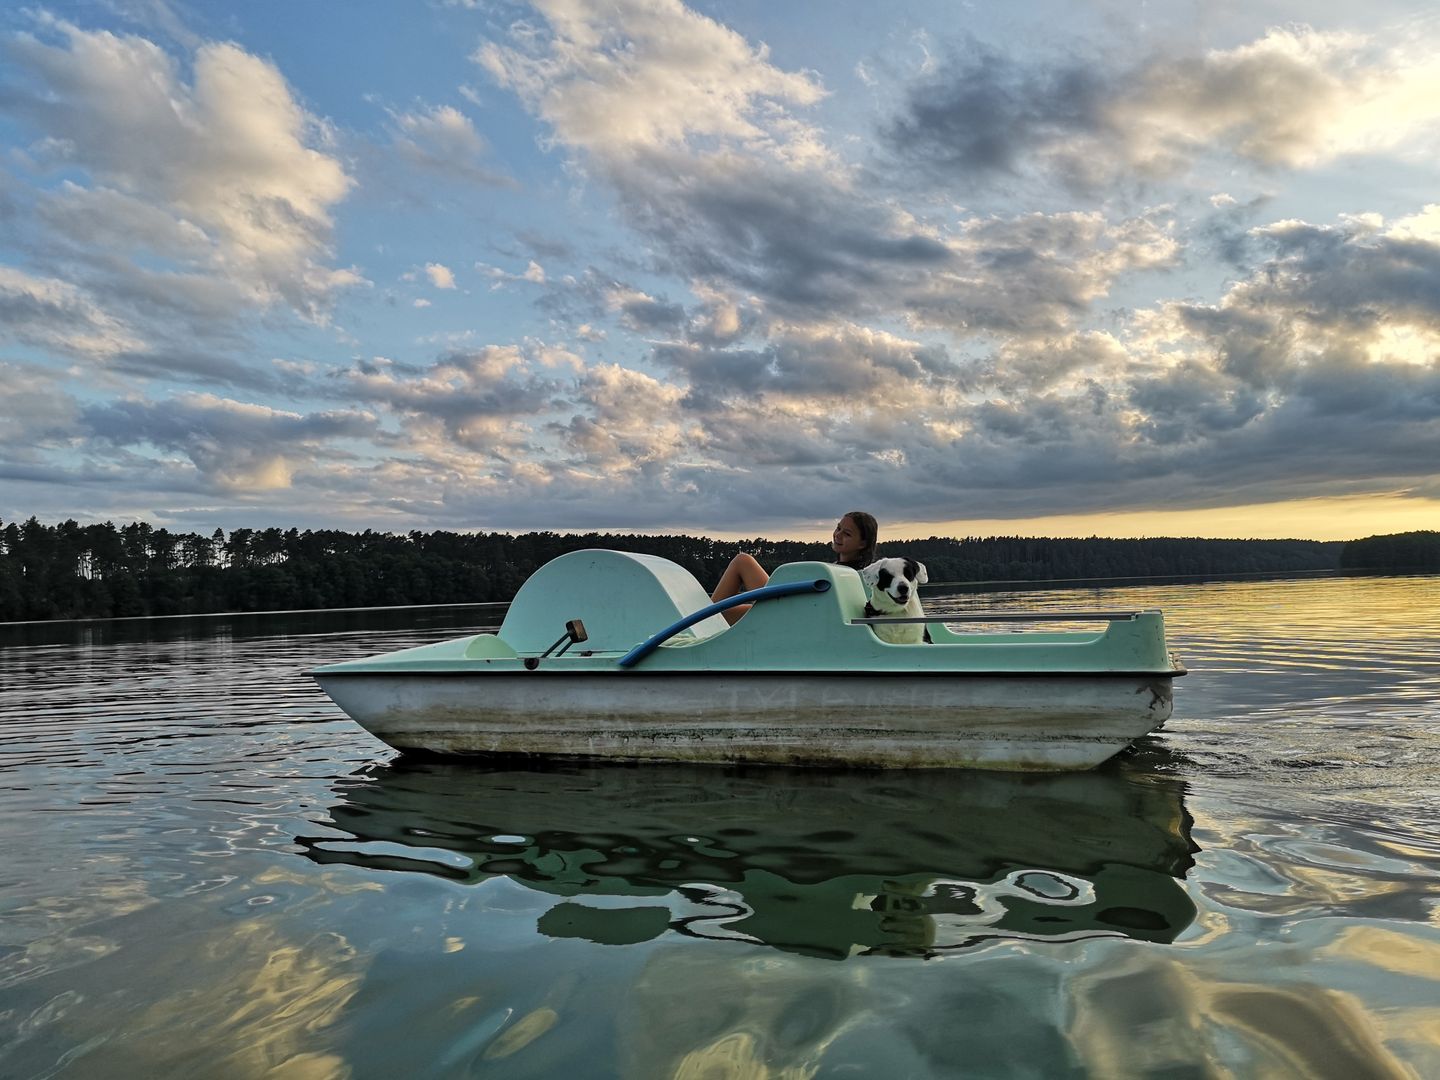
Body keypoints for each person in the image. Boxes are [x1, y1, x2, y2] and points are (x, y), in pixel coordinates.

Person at [709, 511, 879, 625]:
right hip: (794, 615)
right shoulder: (845, 572)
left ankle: (699, 628)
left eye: (847, 534)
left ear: (863, 543)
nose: (838, 535)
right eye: (838, 528)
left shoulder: (852, 576)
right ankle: (704, 623)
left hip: (791, 620)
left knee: (743, 561)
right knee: (721, 613)